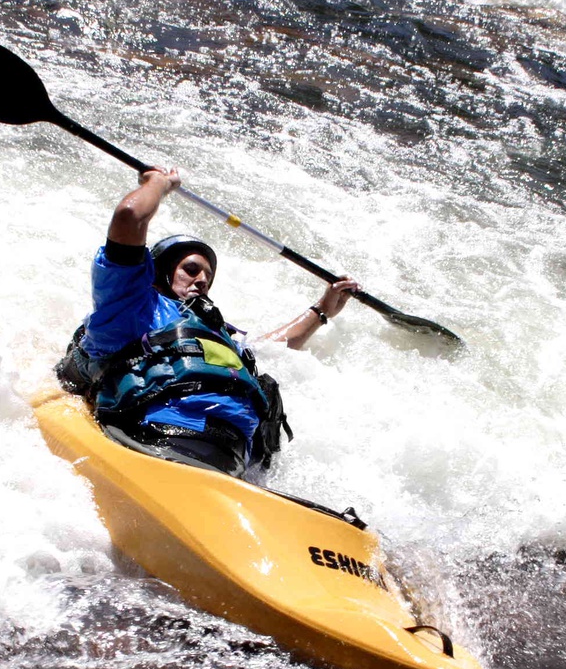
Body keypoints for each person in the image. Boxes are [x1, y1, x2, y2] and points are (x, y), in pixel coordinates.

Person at [57, 166, 357, 475]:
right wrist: (158, 183)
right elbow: (129, 217)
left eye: (208, 276)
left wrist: (322, 310)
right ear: (159, 276)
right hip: (154, 442)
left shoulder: (214, 332)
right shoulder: (133, 308)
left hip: (230, 460)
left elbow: (274, 347)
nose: (202, 280)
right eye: (190, 269)